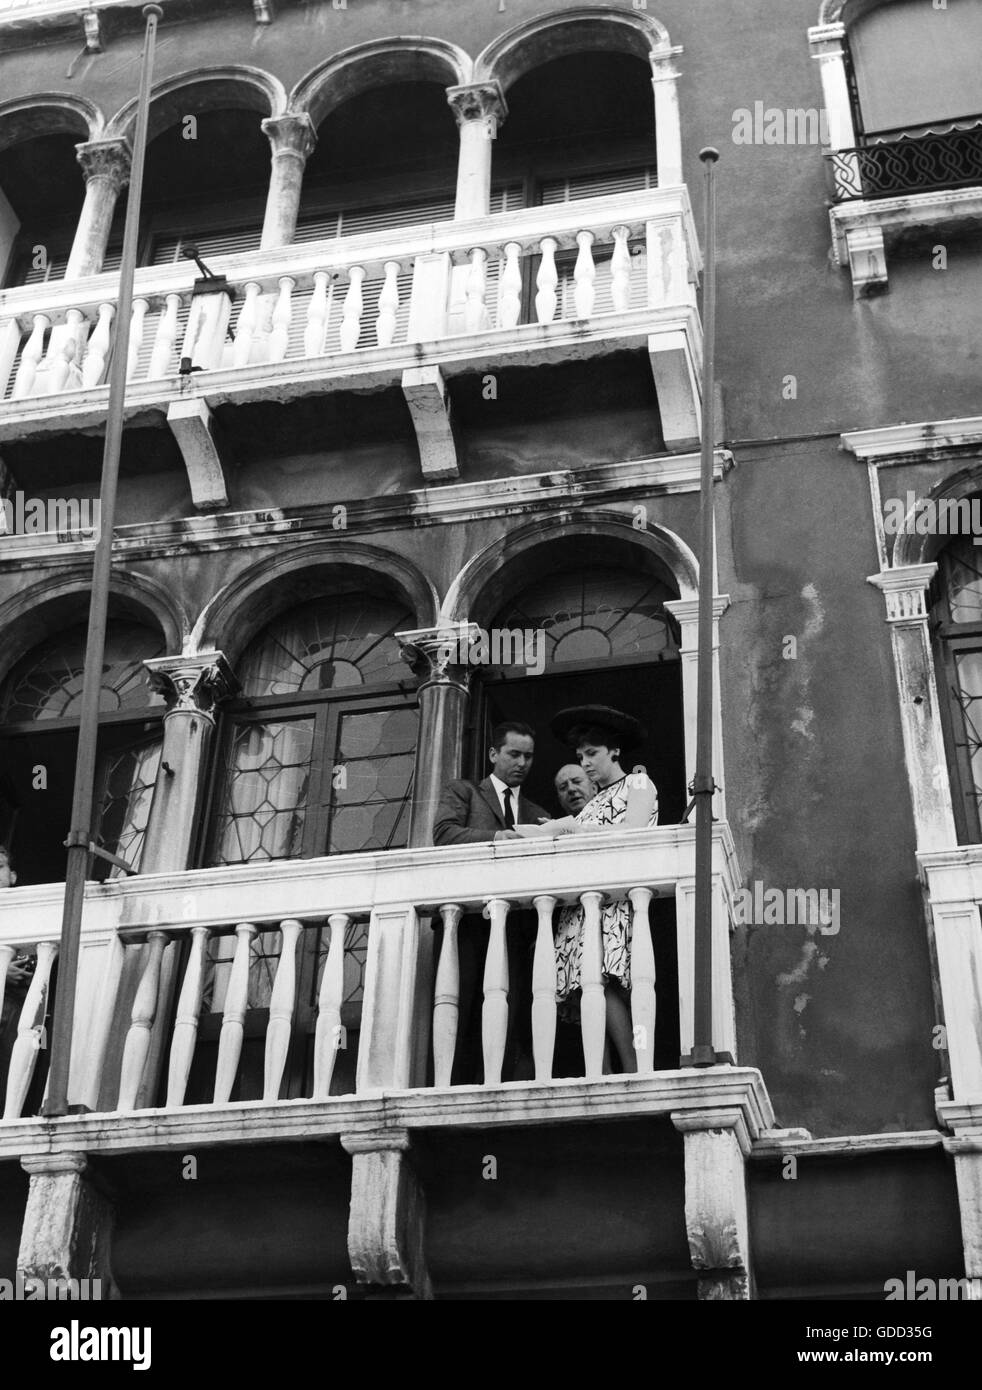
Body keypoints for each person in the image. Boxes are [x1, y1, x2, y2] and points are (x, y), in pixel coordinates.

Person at [431, 723, 550, 1082]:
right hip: (466, 922)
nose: (522, 763)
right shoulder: (464, 792)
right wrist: (500, 837)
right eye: (514, 754)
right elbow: (445, 834)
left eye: (528, 756)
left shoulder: (536, 811)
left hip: (514, 926)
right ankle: (453, 1085)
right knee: (461, 1003)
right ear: (494, 754)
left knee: (508, 1010)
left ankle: (498, 1081)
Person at [544, 706, 659, 1074]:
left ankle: (634, 1066)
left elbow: (633, 829)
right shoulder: (591, 802)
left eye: (592, 754)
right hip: (580, 907)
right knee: (585, 991)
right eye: (581, 757)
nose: (586, 763)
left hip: (614, 901)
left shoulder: (638, 783)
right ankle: (602, 1071)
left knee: (613, 986)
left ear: (615, 751)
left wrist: (572, 830)